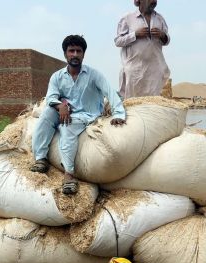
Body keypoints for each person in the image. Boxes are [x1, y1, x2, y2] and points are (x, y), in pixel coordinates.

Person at [30, 35, 126, 195]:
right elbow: (51, 97)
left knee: (67, 126)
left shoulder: (94, 75)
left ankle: (69, 175)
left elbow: (110, 93)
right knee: (46, 114)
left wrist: (119, 114)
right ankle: (41, 158)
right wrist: (60, 105)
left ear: (83, 54)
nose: (75, 54)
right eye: (71, 51)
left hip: (86, 115)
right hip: (63, 111)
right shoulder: (57, 76)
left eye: (78, 51)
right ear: (65, 54)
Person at [115, 0, 171, 98]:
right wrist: (135, 34)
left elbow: (167, 40)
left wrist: (162, 35)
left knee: (154, 104)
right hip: (135, 70)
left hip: (155, 70)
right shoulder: (127, 18)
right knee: (132, 103)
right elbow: (118, 41)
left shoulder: (160, 19)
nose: (154, 1)